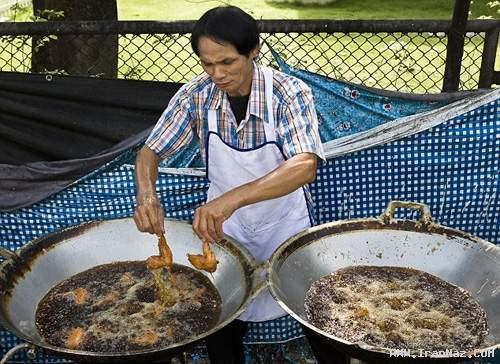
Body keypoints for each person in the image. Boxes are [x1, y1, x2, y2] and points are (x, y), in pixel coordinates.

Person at [133, 5, 328, 363]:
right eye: (207, 64)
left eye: (227, 63)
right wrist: (147, 195)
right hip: (224, 230)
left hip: (283, 227)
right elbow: (150, 152)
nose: (217, 74)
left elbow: (304, 166)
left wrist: (232, 198)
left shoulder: (287, 93)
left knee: (314, 316)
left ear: (252, 51)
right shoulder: (197, 95)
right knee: (221, 320)